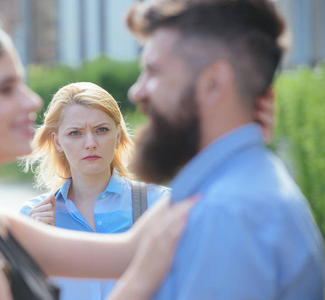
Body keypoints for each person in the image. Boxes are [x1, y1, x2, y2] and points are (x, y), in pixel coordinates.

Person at [0, 13, 197, 300]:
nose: (31, 101)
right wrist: (140, 284)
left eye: (22, 84)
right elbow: (134, 263)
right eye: (6, 88)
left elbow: (124, 253)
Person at [125, 0, 325, 299]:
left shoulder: (226, 214)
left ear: (213, 84)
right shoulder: (241, 186)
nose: (136, 91)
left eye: (153, 71)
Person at [20, 79, 275, 300]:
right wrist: (36, 256)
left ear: (118, 134)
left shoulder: (159, 204)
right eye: (75, 133)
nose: (90, 143)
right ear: (57, 141)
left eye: (101, 130)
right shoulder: (32, 219)